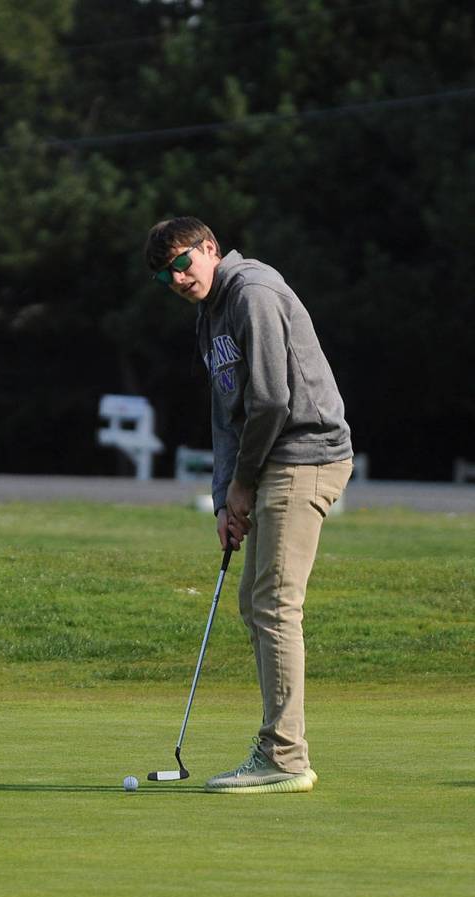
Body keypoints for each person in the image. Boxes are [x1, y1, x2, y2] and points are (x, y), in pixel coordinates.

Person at [144, 217, 353, 793]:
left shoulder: (252, 293)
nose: (178, 279)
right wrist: (223, 501)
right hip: (273, 462)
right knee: (255, 601)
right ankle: (278, 747)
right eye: (165, 276)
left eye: (183, 263)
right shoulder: (210, 314)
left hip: (306, 454)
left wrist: (243, 485)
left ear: (210, 248)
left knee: (275, 604)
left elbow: (269, 402)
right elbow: (225, 414)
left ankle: (285, 757)